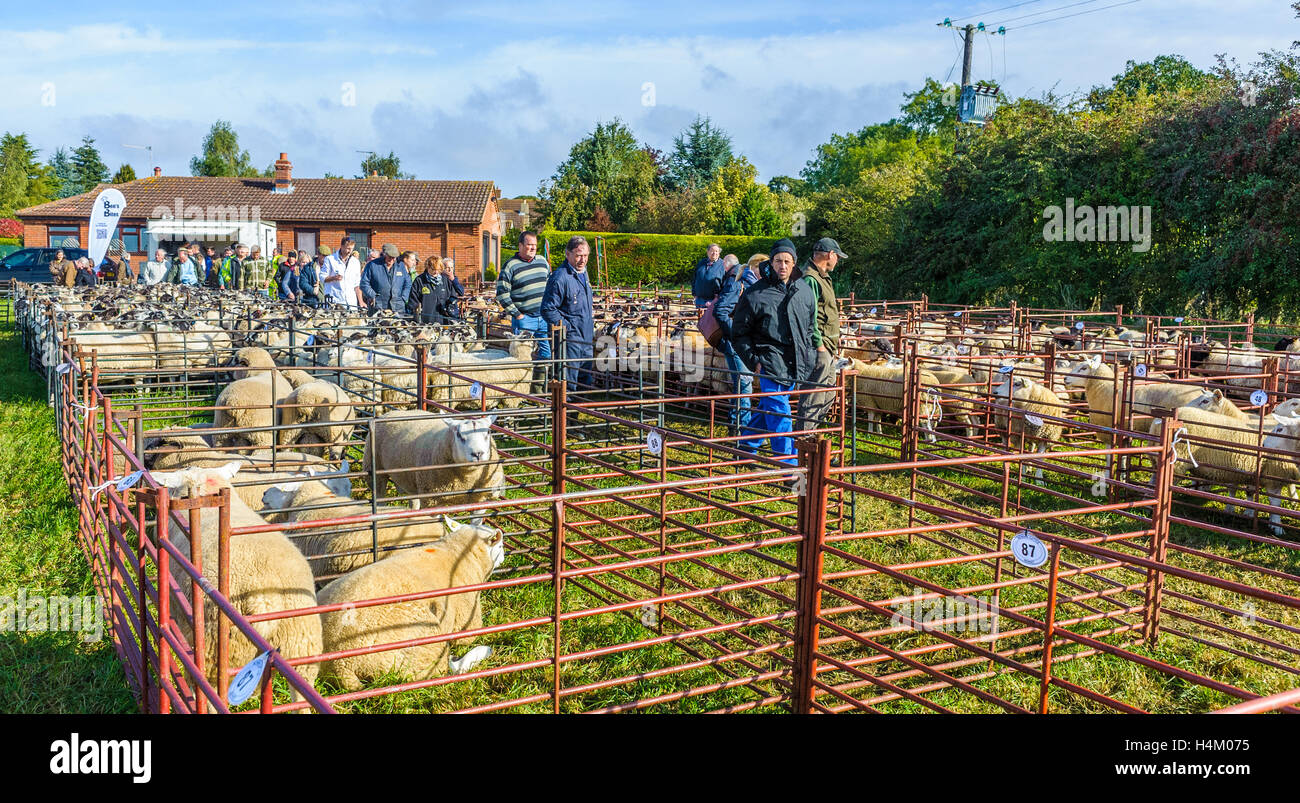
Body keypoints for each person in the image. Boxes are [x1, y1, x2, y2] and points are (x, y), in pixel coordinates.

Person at [730, 238, 816, 467]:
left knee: (769, 408)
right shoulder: (755, 294)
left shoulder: (804, 291)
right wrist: (754, 361)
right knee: (779, 412)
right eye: (778, 261)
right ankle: (789, 467)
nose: (783, 266)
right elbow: (739, 333)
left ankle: (745, 449)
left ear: (794, 263)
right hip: (768, 361)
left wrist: (809, 356)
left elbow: (809, 326)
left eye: (787, 261)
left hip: (794, 362)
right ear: (771, 261)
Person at [797, 237, 848, 432]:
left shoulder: (821, 277)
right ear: (830, 255)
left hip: (827, 346)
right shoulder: (811, 278)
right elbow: (807, 315)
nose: (837, 261)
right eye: (837, 256)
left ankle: (812, 436)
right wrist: (819, 344)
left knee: (827, 395)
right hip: (819, 348)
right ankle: (804, 443)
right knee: (813, 397)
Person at [496, 230, 552, 393]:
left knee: (546, 353)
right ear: (520, 245)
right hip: (524, 318)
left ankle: (538, 390)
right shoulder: (510, 265)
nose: (533, 248)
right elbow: (502, 293)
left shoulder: (543, 262)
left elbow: (550, 285)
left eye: (534, 245)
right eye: (529, 245)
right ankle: (518, 391)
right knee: (521, 356)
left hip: (542, 317)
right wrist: (517, 314)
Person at [712, 253, 762, 436]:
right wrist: (737, 335)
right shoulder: (738, 282)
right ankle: (742, 429)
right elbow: (721, 310)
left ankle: (736, 425)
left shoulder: (749, 284)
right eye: (763, 268)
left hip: (740, 342)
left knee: (742, 384)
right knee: (744, 384)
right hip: (735, 343)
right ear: (755, 267)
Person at [540, 235, 594, 392]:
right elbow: (547, 308)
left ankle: (580, 411)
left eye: (585, 256)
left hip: (586, 337)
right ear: (568, 254)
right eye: (578, 255)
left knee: (585, 380)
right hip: (569, 339)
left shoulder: (584, 274)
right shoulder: (560, 277)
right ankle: (566, 416)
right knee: (568, 381)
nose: (582, 260)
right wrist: (567, 328)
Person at [360, 244, 413, 315]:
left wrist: (404, 297)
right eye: (390, 257)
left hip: (398, 307)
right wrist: (373, 296)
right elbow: (364, 283)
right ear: (385, 254)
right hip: (378, 306)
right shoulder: (372, 265)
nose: (392, 259)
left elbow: (408, 284)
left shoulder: (401, 266)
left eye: (394, 257)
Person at [408, 255, 455, 323]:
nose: (436, 272)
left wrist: (449, 308)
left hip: (442, 319)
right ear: (428, 267)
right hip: (425, 320)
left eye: (438, 270)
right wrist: (416, 312)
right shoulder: (420, 280)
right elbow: (413, 300)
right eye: (433, 269)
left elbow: (453, 296)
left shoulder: (445, 280)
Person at [320, 237, 364, 308]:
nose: (350, 251)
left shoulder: (355, 262)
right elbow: (322, 277)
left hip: (351, 302)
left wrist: (361, 301)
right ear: (342, 246)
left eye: (352, 248)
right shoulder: (330, 259)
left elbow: (357, 284)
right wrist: (333, 278)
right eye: (348, 248)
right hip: (335, 301)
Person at [691, 243, 726, 309]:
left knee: (710, 319)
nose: (714, 253)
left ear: (719, 253)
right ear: (707, 252)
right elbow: (694, 278)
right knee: (700, 318)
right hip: (699, 299)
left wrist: (718, 298)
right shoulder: (701, 263)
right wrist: (694, 293)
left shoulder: (723, 265)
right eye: (712, 251)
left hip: (713, 300)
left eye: (716, 251)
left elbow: (725, 283)